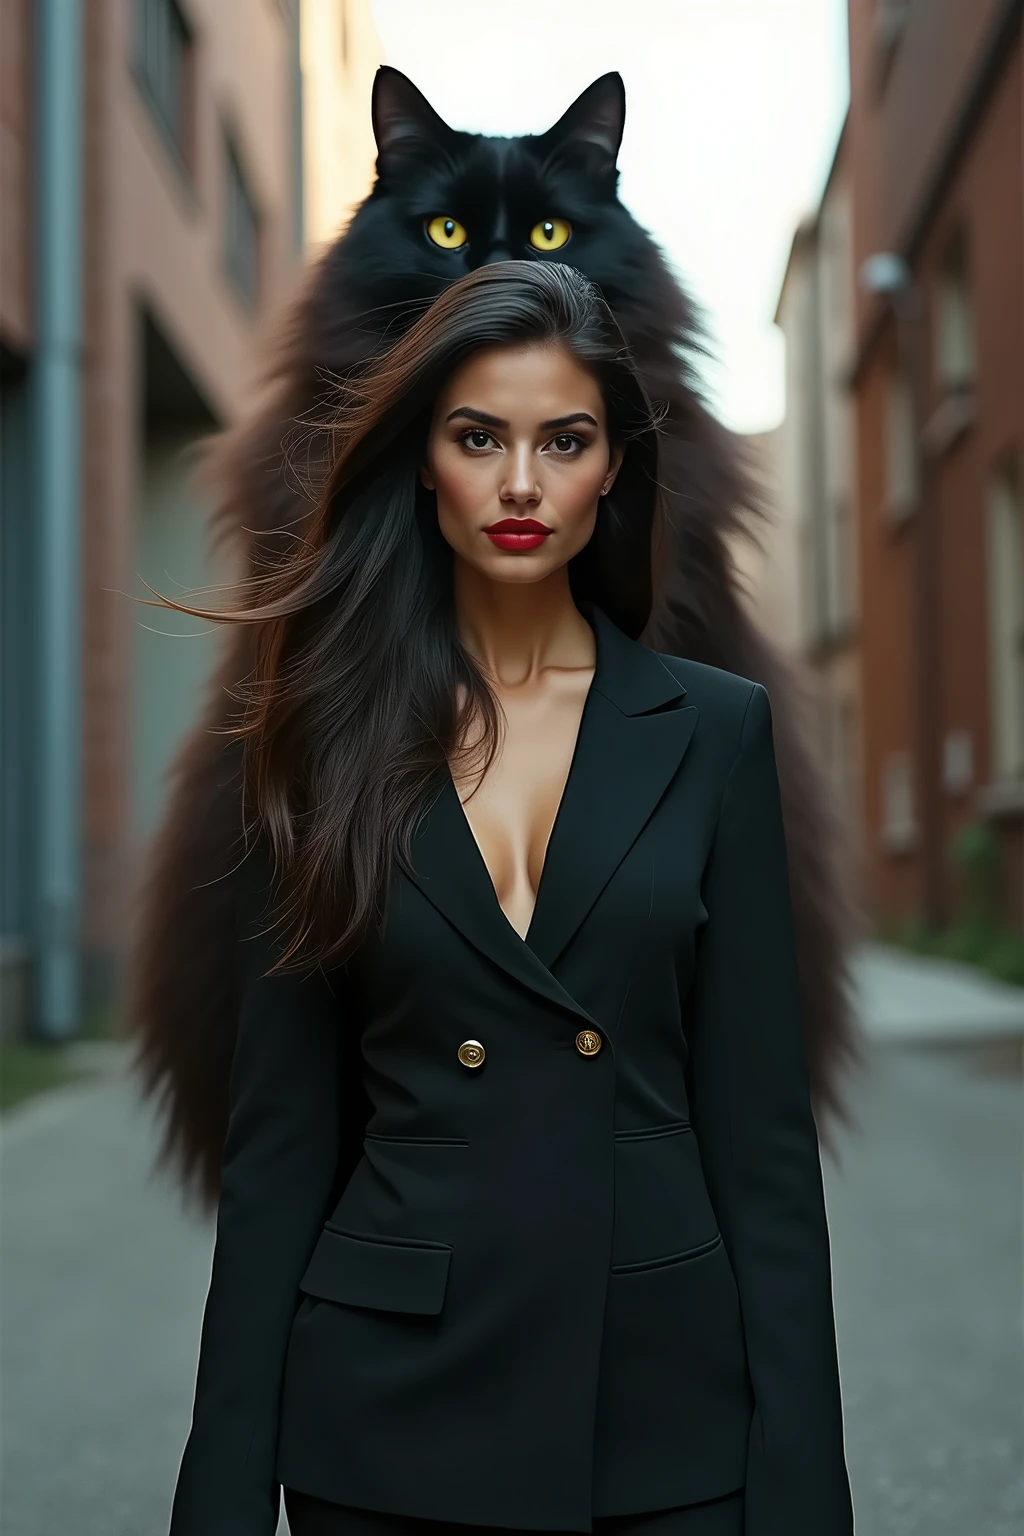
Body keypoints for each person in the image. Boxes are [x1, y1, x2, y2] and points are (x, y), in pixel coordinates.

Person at [165, 261, 854, 1536]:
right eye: (479, 436)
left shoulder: (716, 734)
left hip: (658, 1409)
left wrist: (805, 1491)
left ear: (614, 470)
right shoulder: (316, 739)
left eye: (566, 439)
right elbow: (279, 1151)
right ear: (424, 460)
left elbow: (762, 1153)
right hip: (383, 1418)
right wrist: (218, 1496)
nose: (523, 484)